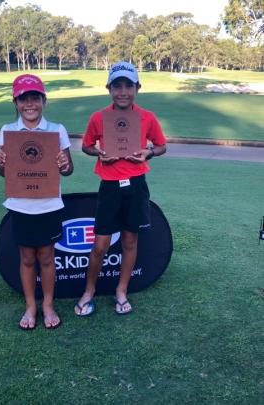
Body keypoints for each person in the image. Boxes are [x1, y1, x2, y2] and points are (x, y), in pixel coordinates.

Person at [74, 61, 166, 316]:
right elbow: (86, 146)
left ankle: (121, 291)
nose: (122, 91)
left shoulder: (147, 117)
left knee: (129, 240)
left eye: (128, 86)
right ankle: (89, 291)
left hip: (136, 186)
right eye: (117, 86)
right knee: (100, 245)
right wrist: (99, 153)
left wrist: (148, 153)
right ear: (109, 88)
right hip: (110, 186)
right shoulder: (98, 117)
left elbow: (160, 146)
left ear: (137, 87)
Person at [0, 74, 73, 329]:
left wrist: (64, 164)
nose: (30, 104)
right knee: (27, 257)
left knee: (47, 257)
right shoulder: (8, 131)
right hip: (21, 205)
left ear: (44, 101)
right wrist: (0, 165)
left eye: (35, 98)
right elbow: (6, 174)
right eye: (23, 99)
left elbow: (68, 169)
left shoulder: (57, 130)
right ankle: (30, 306)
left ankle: (47, 304)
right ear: (15, 102)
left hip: (49, 204)